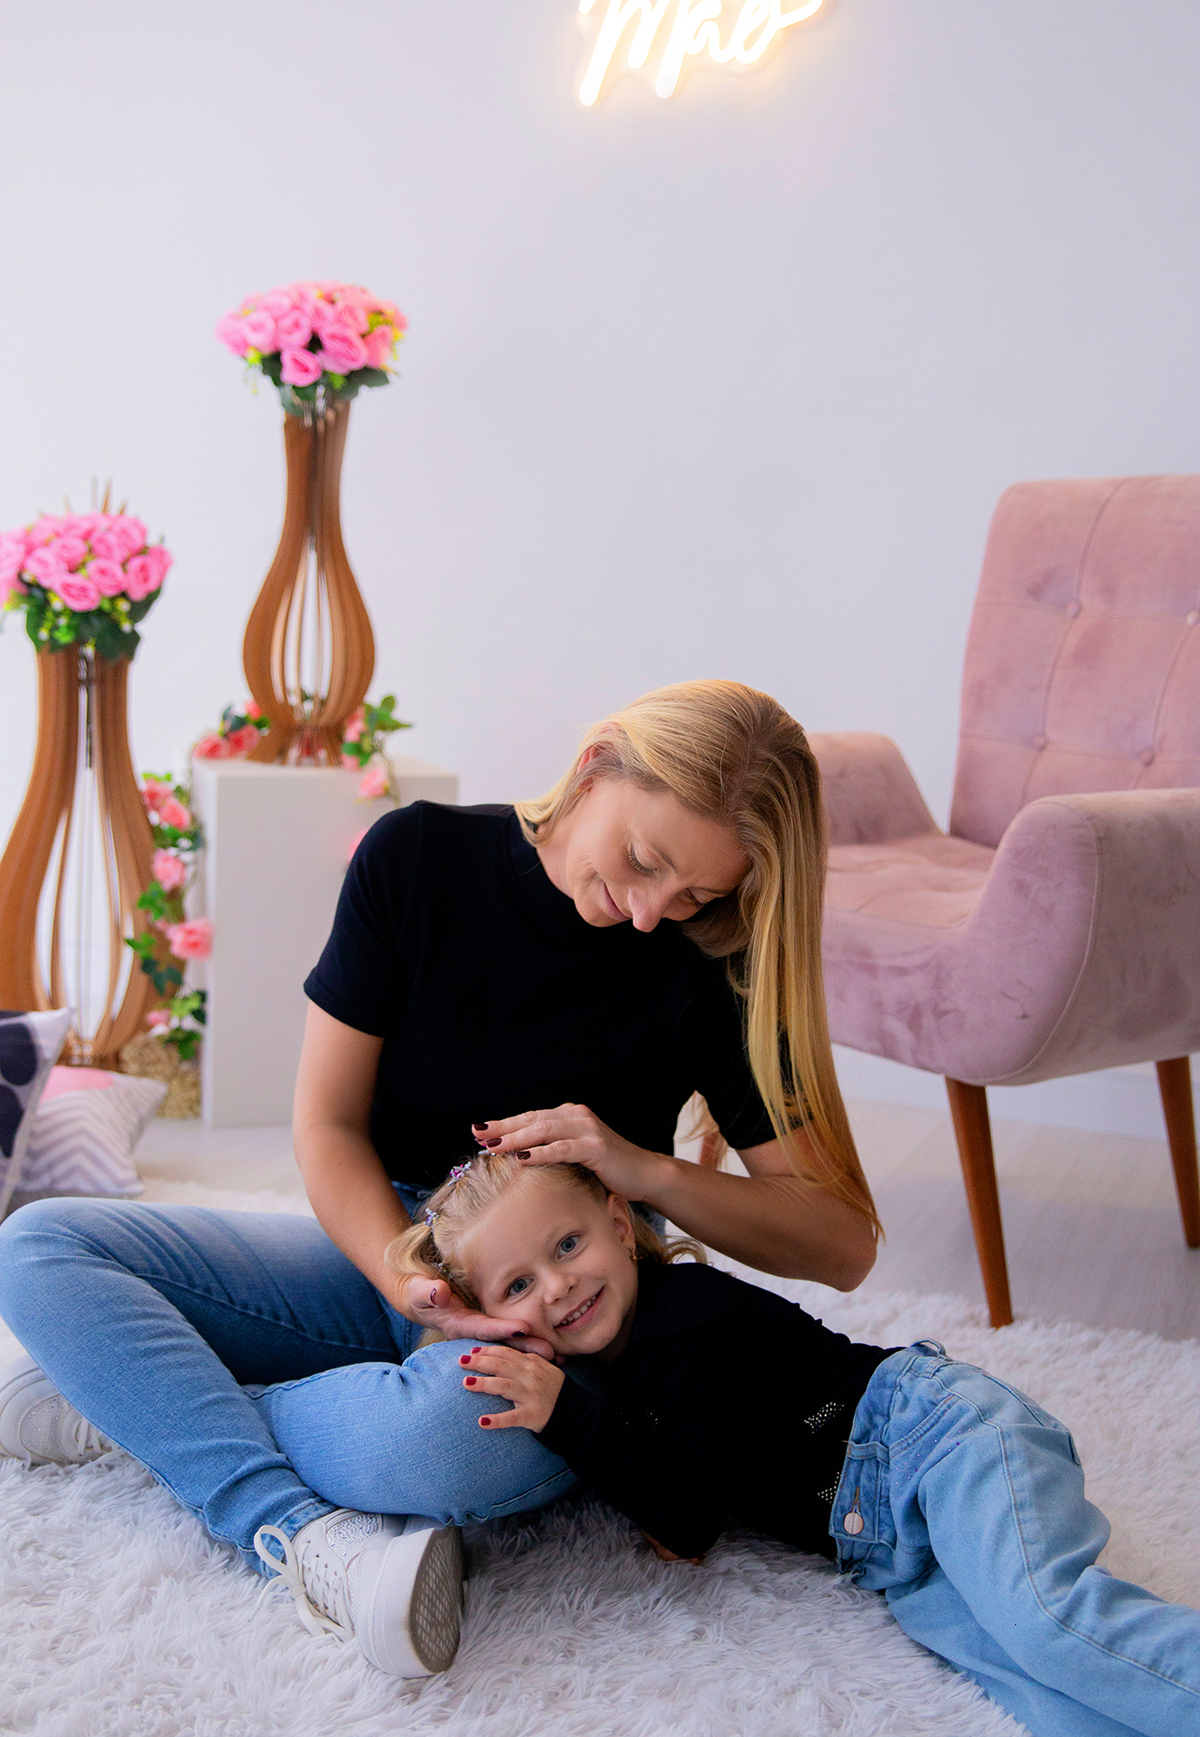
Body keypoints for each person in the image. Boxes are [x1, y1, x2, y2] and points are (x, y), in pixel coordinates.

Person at [0, 680, 879, 1678]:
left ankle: (148, 1403)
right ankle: (285, 1518)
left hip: (544, 1314)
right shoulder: (417, 859)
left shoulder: (712, 968)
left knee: (456, 1443)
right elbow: (326, 1126)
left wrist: (637, 1168)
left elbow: (842, 1244)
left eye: (693, 896)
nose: (647, 914)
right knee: (40, 1246)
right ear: (595, 766)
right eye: (644, 862)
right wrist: (398, 1278)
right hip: (392, 1250)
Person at [384, 1150, 1200, 1737]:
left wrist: (569, 1416)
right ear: (491, 1312)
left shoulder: (687, 1316)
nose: (558, 1286)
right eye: (519, 1286)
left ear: (619, 1223)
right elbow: (679, 1495)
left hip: (933, 1441)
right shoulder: (612, 1360)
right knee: (1021, 1678)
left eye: (568, 1246)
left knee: (1046, 1621)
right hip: (884, 1547)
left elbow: (690, 1520)